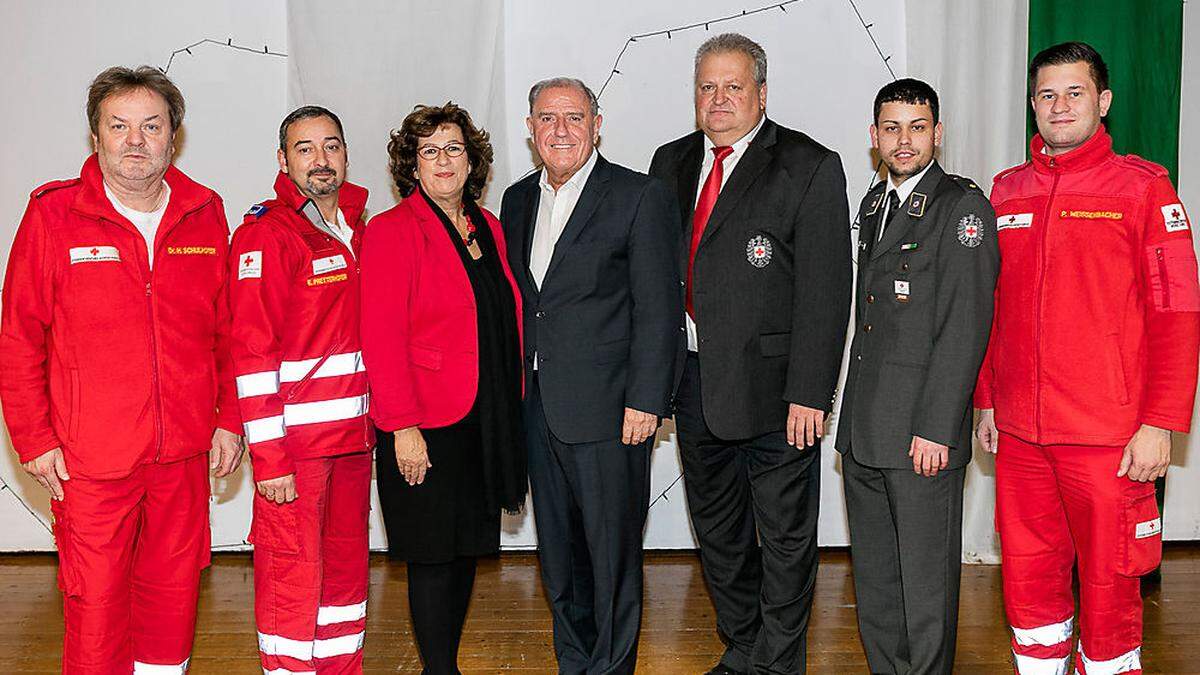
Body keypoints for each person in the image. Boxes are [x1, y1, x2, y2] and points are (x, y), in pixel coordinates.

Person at [0, 65, 243, 674]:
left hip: (183, 453)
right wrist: (32, 438)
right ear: (97, 136)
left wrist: (229, 420)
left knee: (172, 595)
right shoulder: (53, 216)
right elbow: (20, 337)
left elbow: (228, 334)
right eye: (120, 126)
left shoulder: (205, 214)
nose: (136, 140)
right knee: (97, 603)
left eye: (151, 126)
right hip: (91, 457)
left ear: (173, 136)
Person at [975, 42, 1200, 675]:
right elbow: (991, 308)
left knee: (1110, 588)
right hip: (1020, 434)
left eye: (1075, 92)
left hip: (1111, 436)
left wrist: (1160, 424)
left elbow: (1178, 311)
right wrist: (987, 399)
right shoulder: (1007, 191)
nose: (1059, 105)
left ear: (1102, 102)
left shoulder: (1144, 187)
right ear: (1032, 105)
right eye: (1046, 94)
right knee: (1028, 582)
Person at [648, 33, 851, 675]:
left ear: (762, 92)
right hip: (694, 382)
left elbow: (826, 290)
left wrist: (811, 394)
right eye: (707, 86)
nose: (719, 98)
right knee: (720, 535)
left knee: (786, 540)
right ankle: (745, 647)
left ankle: (779, 662)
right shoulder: (670, 163)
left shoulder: (810, 164)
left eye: (734, 86)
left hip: (778, 393)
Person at [500, 77, 680, 674]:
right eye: (547, 118)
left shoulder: (639, 195)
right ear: (529, 128)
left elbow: (659, 309)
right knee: (559, 557)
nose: (560, 130)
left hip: (611, 412)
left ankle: (611, 666)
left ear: (597, 124)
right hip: (539, 408)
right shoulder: (517, 200)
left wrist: (646, 400)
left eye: (574, 117)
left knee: (611, 557)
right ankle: (574, 662)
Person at [835, 78, 998, 675]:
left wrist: (937, 427)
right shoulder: (874, 204)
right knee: (877, 582)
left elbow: (965, 326)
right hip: (867, 428)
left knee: (925, 589)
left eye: (917, 127)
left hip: (921, 433)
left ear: (939, 132)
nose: (904, 141)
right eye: (892, 128)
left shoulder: (962, 208)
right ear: (874, 136)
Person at [360, 103, 526, 674]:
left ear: (472, 158)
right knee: (432, 555)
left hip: (483, 420)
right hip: (426, 423)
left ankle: (446, 665)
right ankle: (437, 669)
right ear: (412, 165)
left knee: (462, 553)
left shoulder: (490, 227)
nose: (443, 160)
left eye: (453, 148)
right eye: (428, 151)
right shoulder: (390, 232)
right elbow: (380, 339)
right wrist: (402, 428)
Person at [228, 106, 372, 674]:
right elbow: (252, 356)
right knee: (291, 573)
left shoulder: (359, 227)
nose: (320, 159)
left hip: (355, 442)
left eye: (331, 146)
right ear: (283, 160)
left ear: (344, 155)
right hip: (295, 450)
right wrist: (269, 460)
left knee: (344, 574)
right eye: (305, 148)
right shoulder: (267, 234)